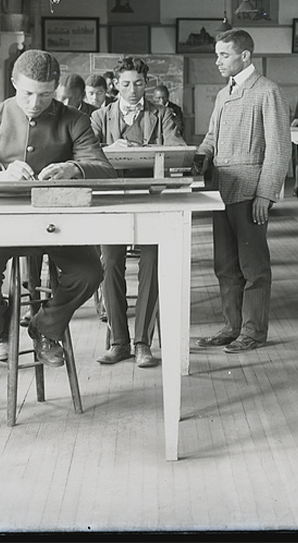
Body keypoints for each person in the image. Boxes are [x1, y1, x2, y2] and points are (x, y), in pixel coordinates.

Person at [0, 49, 114, 367]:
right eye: (27, 93)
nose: (35, 103)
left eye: (45, 95)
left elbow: (103, 169)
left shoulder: (75, 120)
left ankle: (45, 326)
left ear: (56, 89)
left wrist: (74, 169)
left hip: (58, 224)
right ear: (13, 82)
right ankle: (0, 328)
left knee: (89, 273)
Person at [193, 30, 289, 352]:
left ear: (245, 56)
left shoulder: (267, 91)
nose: (217, 61)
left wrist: (266, 194)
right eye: (217, 55)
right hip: (221, 190)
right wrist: (199, 158)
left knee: (254, 268)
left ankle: (253, 332)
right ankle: (231, 327)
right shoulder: (224, 94)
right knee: (225, 266)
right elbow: (211, 138)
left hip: (250, 193)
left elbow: (278, 148)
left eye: (224, 55)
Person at [89, 56, 186, 368]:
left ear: (148, 84)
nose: (133, 90)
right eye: (126, 84)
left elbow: (177, 150)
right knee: (110, 262)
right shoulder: (100, 117)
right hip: (111, 200)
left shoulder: (162, 115)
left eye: (139, 84)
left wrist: (144, 152)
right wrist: (110, 151)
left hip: (151, 199)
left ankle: (143, 341)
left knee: (153, 262)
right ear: (116, 85)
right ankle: (119, 341)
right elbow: (85, 153)